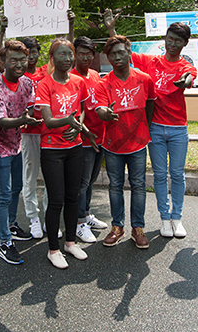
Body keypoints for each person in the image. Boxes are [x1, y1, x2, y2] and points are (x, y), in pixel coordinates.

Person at [104, 10, 197, 238]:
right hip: (154, 126)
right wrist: (111, 30)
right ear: (164, 38)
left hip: (177, 128)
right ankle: (164, 219)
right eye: (170, 38)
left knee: (177, 174)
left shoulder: (185, 65)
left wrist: (185, 81)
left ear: (185, 44)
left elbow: (189, 77)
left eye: (178, 40)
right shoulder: (150, 62)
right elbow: (123, 52)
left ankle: (177, 218)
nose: (172, 43)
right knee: (159, 175)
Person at [0, 17, 52, 240]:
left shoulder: (46, 72)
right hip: (26, 134)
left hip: (47, 132)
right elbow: (0, 58)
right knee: (29, 177)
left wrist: (69, 24)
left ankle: (48, 217)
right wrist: (2, 31)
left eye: (35, 51)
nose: (33, 56)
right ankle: (32, 218)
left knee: (49, 178)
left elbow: (67, 54)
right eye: (30, 52)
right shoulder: (18, 74)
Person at [36, 38, 93, 269]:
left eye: (70, 54)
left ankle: (70, 242)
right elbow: (48, 120)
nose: (68, 59)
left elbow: (81, 111)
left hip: (75, 147)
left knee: (73, 197)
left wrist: (77, 125)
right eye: (62, 55)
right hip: (51, 149)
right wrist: (67, 121)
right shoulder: (44, 84)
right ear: (53, 58)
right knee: (56, 200)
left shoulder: (79, 81)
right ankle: (53, 249)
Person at [0, 40, 41, 265]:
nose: (19, 64)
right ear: (4, 62)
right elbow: (2, 122)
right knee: (3, 194)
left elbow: (30, 102)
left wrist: (29, 114)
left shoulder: (26, 82)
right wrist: (24, 120)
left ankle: (11, 224)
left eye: (22, 60)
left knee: (17, 187)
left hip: (16, 145)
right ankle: (4, 242)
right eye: (13, 60)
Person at [96, 35, 156, 249]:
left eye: (121, 52)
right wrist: (105, 114)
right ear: (108, 58)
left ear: (129, 53)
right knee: (115, 186)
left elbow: (150, 103)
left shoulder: (145, 78)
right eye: (112, 54)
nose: (117, 57)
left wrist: (145, 127)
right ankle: (117, 227)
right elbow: (100, 109)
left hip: (139, 143)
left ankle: (138, 228)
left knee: (139, 185)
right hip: (112, 144)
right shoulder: (104, 83)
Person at [70, 36, 108, 243]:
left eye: (89, 53)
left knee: (91, 180)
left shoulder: (95, 75)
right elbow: (74, 112)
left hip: (100, 136)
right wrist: (86, 133)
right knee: (81, 183)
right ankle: (79, 223)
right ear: (74, 54)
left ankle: (86, 213)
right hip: (84, 139)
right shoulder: (71, 77)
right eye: (81, 53)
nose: (86, 57)